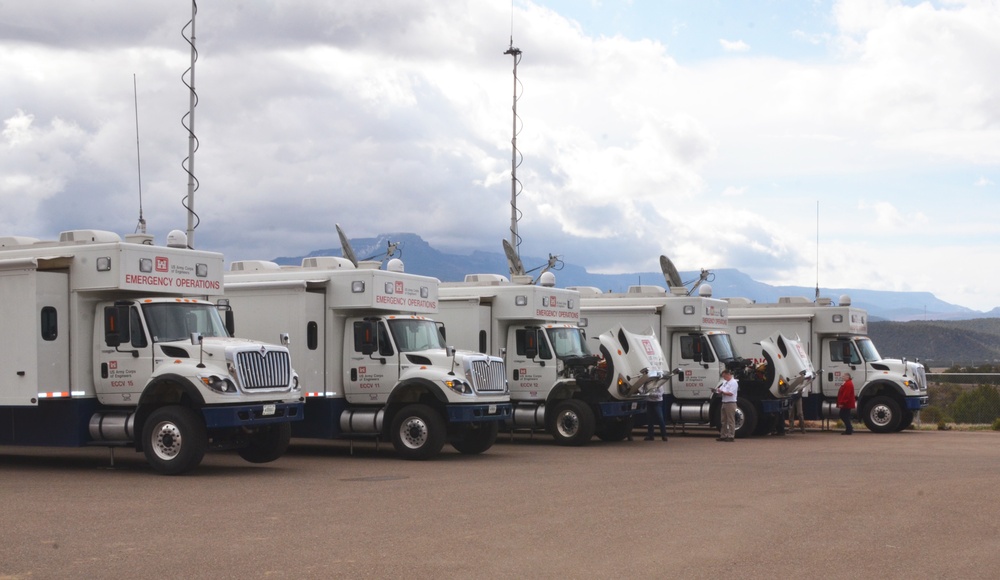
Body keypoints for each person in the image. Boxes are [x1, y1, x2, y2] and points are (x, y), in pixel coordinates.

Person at [716, 368, 738, 442]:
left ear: (728, 375)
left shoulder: (734, 383)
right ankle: (723, 435)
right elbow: (721, 389)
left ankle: (731, 436)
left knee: (730, 420)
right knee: (723, 420)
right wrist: (717, 391)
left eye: (724, 376)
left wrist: (722, 392)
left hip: (730, 403)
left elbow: (731, 393)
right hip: (724, 402)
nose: (724, 378)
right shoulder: (725, 382)